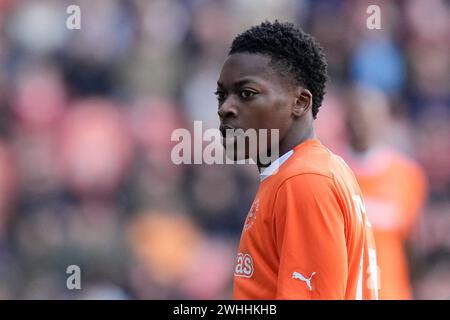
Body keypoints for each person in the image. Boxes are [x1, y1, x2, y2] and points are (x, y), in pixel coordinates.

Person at [215, 20, 379, 299]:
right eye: (222, 95)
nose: (226, 108)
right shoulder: (309, 171)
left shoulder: (304, 181)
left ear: (300, 102)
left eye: (247, 94)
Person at [343, 85, 427, 299]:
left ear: (384, 120)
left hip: (392, 290)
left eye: (368, 117)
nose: (360, 124)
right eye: (355, 117)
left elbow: (413, 243)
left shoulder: (407, 175)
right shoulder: (331, 171)